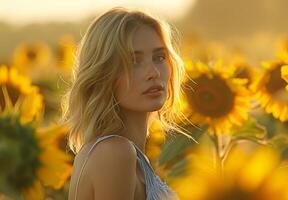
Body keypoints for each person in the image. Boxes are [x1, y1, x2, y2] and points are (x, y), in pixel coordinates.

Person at [61, 6, 194, 200]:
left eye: (159, 57)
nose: (154, 73)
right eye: (134, 61)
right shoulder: (114, 153)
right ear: (103, 74)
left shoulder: (117, 152)